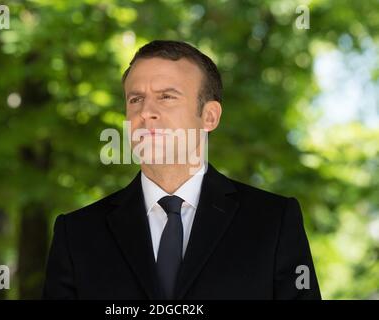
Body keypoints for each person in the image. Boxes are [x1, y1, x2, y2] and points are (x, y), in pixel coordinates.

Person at [42, 40, 321, 300]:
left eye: (166, 97)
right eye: (135, 99)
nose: (145, 112)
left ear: (209, 116)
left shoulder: (273, 222)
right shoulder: (77, 234)